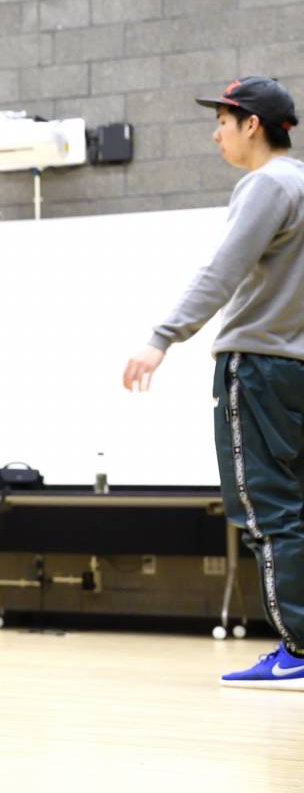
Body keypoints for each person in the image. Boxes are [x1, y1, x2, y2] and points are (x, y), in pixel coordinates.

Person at [122, 76, 304, 690]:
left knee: (266, 509)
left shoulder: (267, 184)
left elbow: (222, 270)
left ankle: (299, 651)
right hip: (298, 371)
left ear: (252, 124)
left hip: (257, 366)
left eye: (222, 122)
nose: (215, 133)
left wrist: (161, 337)